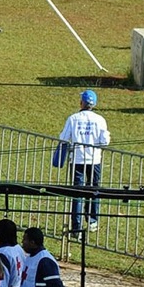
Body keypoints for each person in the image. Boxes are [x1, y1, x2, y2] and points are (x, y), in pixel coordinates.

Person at [58, 90, 109, 232]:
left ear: (81, 102)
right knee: (94, 190)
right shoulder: (100, 119)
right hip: (94, 159)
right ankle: (92, 221)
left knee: (77, 192)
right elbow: (105, 141)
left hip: (77, 159)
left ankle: (76, 226)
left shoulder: (73, 118)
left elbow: (63, 137)